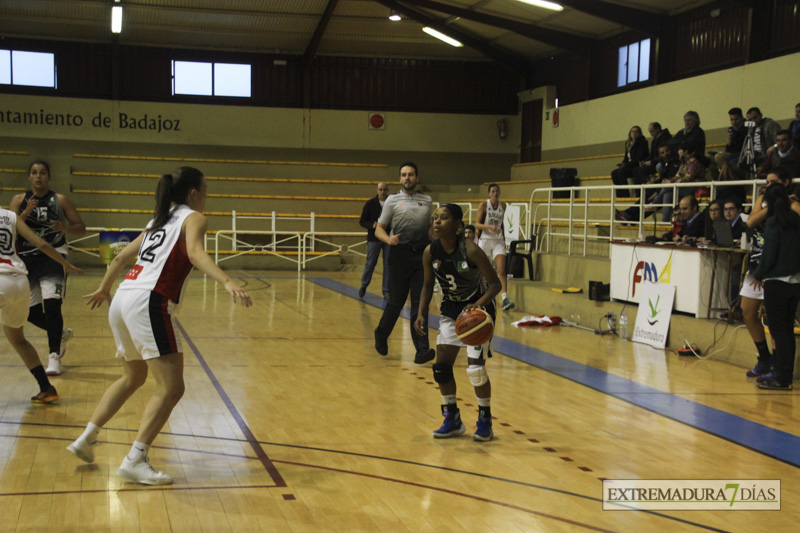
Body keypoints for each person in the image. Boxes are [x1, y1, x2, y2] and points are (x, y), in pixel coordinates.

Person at [66, 167, 253, 485]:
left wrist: (105, 288)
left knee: (133, 376)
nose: (207, 197)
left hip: (124, 296)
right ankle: (135, 459)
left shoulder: (158, 221)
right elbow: (195, 254)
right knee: (172, 388)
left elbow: (119, 258)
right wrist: (227, 280)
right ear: (193, 193)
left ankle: (86, 437)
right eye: (205, 190)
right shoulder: (193, 218)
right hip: (150, 300)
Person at [414, 204, 501, 441]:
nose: (437, 222)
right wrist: (420, 313)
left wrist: (479, 304)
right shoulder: (429, 252)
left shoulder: (471, 250)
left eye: (443, 218)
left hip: (477, 311)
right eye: (435, 218)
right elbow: (426, 286)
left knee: (475, 369)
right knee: (441, 368)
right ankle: (452, 419)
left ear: (458, 226)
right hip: (451, 310)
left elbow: (495, 285)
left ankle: (485, 420)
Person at [0, 203, 83, 403]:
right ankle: (45, 388)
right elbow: (42, 244)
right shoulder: (10, 216)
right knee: (18, 340)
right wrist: (65, 263)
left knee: (18, 339)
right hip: (20, 282)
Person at [9, 160, 86, 376]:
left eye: (42, 173)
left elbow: (81, 227)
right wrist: (24, 214)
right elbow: (8, 227)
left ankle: (54, 356)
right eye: (34, 172)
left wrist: (66, 227)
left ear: (48, 177)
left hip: (54, 257)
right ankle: (59, 335)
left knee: (52, 306)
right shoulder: (18, 200)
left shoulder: (59, 200)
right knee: (30, 313)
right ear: (29, 176)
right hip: (26, 260)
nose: (38, 176)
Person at [741, 167, 800, 380]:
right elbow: (750, 221)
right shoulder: (765, 201)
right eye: (766, 182)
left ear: (785, 182)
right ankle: (764, 358)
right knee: (747, 311)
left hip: (777, 267)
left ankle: (778, 364)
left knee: (775, 320)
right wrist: (773, 205)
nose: (767, 185)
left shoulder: (794, 206)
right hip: (758, 261)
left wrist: (781, 203)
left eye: (772, 182)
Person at [373, 162, 435, 364]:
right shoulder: (392, 200)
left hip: (421, 257)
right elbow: (379, 228)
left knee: (420, 304)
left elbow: (429, 229)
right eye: (403, 175)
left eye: (410, 174)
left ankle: (421, 349)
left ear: (417, 177)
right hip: (399, 255)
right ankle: (381, 334)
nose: (407, 178)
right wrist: (388, 239)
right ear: (400, 179)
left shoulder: (427, 201)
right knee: (396, 303)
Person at [475, 184, 514, 311]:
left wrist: (503, 236)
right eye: (493, 191)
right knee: (481, 270)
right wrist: (490, 227)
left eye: (497, 191)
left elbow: (501, 223)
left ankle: (504, 299)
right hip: (485, 240)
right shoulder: (484, 205)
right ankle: (480, 296)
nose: (495, 193)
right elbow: (477, 224)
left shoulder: (503, 206)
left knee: (501, 270)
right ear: (489, 193)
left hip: (498, 240)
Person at [358, 182, 391, 299]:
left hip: (388, 238)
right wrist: (372, 225)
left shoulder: (391, 203)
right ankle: (364, 285)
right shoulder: (370, 204)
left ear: (388, 190)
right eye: (380, 190)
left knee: (388, 264)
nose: (382, 192)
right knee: (371, 263)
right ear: (377, 190)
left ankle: (386, 291)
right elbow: (362, 221)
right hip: (374, 238)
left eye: (385, 190)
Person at [610, 126, 649, 198]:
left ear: (639, 133)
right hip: (629, 166)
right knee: (614, 173)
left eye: (636, 131)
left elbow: (639, 157)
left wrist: (626, 165)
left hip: (635, 166)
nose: (634, 133)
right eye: (632, 131)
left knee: (621, 172)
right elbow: (626, 157)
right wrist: (623, 163)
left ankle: (625, 194)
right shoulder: (628, 143)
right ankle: (619, 195)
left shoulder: (642, 142)